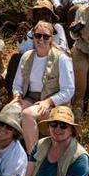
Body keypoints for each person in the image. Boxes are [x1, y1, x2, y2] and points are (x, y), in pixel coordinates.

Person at [10, 20, 75, 154]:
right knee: (8, 112)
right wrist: (17, 95)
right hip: (30, 99)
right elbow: (17, 84)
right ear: (32, 37)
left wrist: (48, 101)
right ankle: (9, 157)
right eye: (38, 35)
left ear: (51, 39)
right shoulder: (26, 57)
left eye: (46, 36)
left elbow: (68, 90)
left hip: (54, 104)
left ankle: (34, 158)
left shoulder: (61, 59)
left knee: (27, 115)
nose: (41, 39)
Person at [4, 0, 69, 94]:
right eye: (38, 14)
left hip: (52, 64)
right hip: (36, 63)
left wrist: (46, 40)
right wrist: (21, 39)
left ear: (51, 16)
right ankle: (11, 93)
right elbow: (23, 52)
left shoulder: (57, 28)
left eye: (45, 14)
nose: (41, 17)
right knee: (16, 58)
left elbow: (61, 49)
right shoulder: (32, 31)